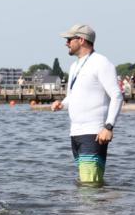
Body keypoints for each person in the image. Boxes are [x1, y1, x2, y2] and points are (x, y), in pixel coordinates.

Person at [50, 24, 122, 185]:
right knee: (86, 183)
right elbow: (72, 96)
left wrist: (108, 127)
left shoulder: (101, 63)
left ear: (81, 40)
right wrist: (62, 104)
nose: (66, 43)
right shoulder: (74, 66)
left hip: (94, 133)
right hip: (75, 133)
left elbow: (117, 96)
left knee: (89, 185)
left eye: (69, 39)